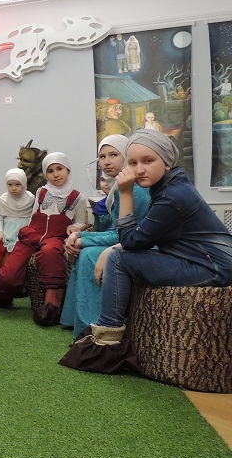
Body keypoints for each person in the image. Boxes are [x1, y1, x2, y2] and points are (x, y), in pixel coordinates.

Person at [61, 130, 232, 371]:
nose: (139, 169)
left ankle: (108, 341)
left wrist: (125, 193)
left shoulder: (172, 196)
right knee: (118, 256)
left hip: (212, 268)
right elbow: (140, 238)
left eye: (148, 161)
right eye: (132, 163)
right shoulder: (170, 186)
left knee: (118, 259)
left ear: (167, 162)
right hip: (204, 261)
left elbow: (131, 241)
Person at [0, 153, 86, 327]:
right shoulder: (41, 192)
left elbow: (80, 221)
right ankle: (2, 295)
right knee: (9, 273)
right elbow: (33, 215)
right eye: (50, 171)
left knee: (50, 253)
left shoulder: (78, 197)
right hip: (32, 233)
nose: (56, 174)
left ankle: (52, 305)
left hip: (55, 237)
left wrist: (76, 228)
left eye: (59, 169)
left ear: (68, 170)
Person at [60, 135, 150, 338]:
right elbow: (116, 230)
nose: (107, 162)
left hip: (144, 246)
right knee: (84, 249)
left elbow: (122, 234)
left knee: (88, 254)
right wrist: (80, 235)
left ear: (126, 157)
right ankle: (78, 320)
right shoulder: (119, 186)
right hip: (128, 241)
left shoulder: (133, 188)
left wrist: (83, 239)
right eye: (102, 157)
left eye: (114, 155)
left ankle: (93, 325)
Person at [0, 168, 35, 286]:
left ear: (24, 184)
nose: (13, 188)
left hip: (23, 228)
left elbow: (33, 217)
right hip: (6, 228)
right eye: (10, 185)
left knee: (16, 250)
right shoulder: (3, 199)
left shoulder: (31, 199)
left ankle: (12, 279)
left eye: (18, 184)